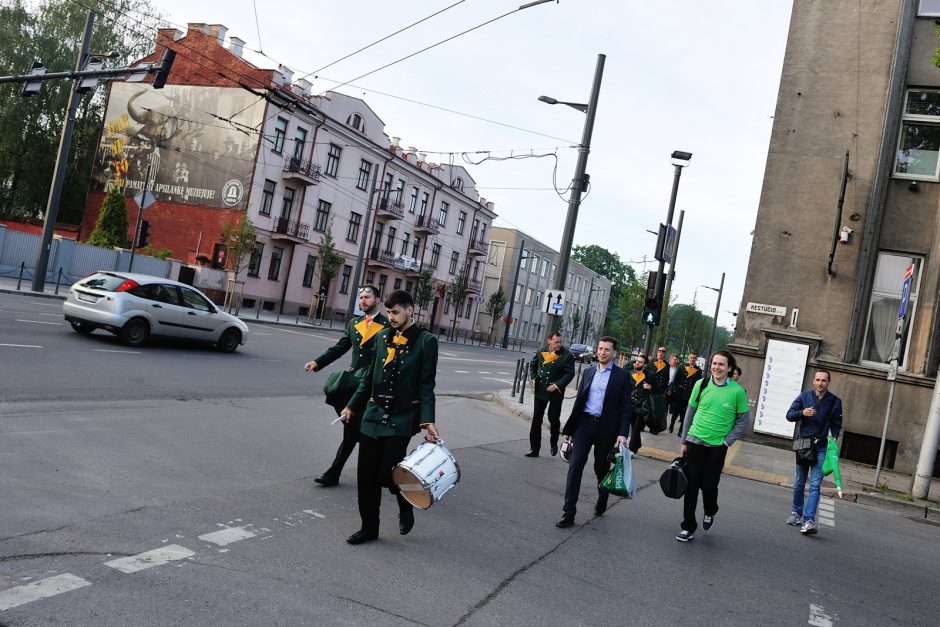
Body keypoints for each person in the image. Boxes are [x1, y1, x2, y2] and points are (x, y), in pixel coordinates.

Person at [340, 289, 439, 545]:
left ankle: (405, 506)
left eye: (395, 312)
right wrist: (352, 406)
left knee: (388, 474)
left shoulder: (426, 341)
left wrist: (428, 420)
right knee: (366, 476)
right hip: (373, 415)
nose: (391, 317)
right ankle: (369, 528)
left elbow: (427, 384)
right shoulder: (383, 336)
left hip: (402, 417)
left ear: (410, 310)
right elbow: (370, 379)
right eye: (388, 312)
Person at [304, 286, 388, 487]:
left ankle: (336, 473)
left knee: (354, 430)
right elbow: (341, 347)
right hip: (354, 383)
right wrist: (318, 362)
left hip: (373, 386)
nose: (363, 301)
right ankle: (337, 473)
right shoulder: (355, 323)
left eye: (367, 297)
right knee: (351, 426)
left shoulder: (387, 325)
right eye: (360, 298)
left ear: (378, 300)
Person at [555, 336, 633, 527]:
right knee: (576, 465)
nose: (602, 352)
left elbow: (625, 408)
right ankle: (568, 513)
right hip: (584, 424)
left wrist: (623, 434)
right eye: (600, 349)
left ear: (614, 353)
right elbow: (579, 401)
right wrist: (570, 429)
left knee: (601, 468)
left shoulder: (622, 376)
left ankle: (603, 496)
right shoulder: (589, 372)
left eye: (607, 349)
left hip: (607, 428)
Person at [676, 350, 749, 542]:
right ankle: (688, 526)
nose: (716, 367)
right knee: (691, 487)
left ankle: (710, 510)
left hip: (717, 447)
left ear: (730, 368)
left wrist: (727, 442)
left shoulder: (737, 392)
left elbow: (743, 422)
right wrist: (684, 441)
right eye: (714, 363)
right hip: (694, 442)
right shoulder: (701, 384)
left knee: (708, 486)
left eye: (721, 364)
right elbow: (689, 414)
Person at [785, 369, 843, 536]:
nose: (820, 383)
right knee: (799, 482)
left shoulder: (834, 401)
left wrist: (835, 435)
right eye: (817, 380)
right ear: (813, 381)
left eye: (823, 380)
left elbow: (837, 424)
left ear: (828, 382)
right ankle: (796, 513)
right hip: (804, 445)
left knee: (815, 485)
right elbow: (789, 415)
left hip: (822, 446)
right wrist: (802, 413)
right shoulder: (804, 397)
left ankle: (809, 520)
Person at [526, 332, 575, 457]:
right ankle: (534, 448)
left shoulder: (567, 355)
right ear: (549, 341)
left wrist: (557, 385)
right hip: (541, 389)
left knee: (553, 418)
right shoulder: (542, 350)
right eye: (556, 342)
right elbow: (533, 364)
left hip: (555, 392)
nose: (559, 344)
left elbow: (569, 374)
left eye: (560, 342)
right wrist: (533, 377)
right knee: (536, 419)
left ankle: (553, 442)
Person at [629, 354, 658, 449]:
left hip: (642, 407)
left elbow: (659, 388)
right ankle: (637, 444)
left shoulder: (650, 375)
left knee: (636, 429)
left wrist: (650, 387)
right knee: (633, 427)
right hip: (631, 405)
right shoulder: (630, 373)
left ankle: (631, 450)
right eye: (636, 361)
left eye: (640, 362)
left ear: (645, 365)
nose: (637, 363)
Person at [671, 352, 703, 436]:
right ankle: (671, 424)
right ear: (689, 358)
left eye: (694, 358)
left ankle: (681, 431)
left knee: (685, 414)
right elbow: (676, 379)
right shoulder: (682, 366)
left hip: (689, 394)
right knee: (676, 411)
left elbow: (698, 384)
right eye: (691, 357)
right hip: (679, 393)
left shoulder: (698, 371)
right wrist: (675, 390)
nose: (692, 359)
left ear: (696, 359)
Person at [648, 346, 670, 434]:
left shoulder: (667, 365)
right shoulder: (651, 362)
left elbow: (666, 379)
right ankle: (642, 425)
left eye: (663, 351)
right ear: (657, 352)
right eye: (659, 351)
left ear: (665, 354)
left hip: (659, 391)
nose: (661, 353)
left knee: (656, 411)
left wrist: (664, 391)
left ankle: (654, 428)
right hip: (650, 389)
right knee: (647, 409)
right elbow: (646, 373)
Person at [666, 354, 683, 433]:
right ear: (670, 360)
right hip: (664, 390)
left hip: (674, 392)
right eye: (675, 359)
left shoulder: (678, 369)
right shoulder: (666, 367)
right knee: (663, 408)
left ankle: (671, 424)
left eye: (677, 360)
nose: (676, 361)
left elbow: (676, 381)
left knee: (674, 409)